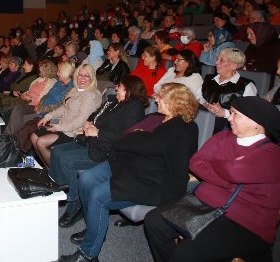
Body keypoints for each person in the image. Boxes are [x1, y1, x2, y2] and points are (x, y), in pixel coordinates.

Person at [59, 84, 199, 262]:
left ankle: (88, 254)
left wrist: (139, 136)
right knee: (86, 179)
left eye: (161, 97)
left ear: (175, 102)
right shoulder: (160, 118)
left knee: (98, 196)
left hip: (154, 181)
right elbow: (132, 139)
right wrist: (139, 137)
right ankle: (94, 228)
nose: (156, 99)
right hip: (132, 165)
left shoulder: (184, 128)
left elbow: (144, 145)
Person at [144, 96, 280, 262]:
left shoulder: (273, 155)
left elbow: (233, 171)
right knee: (154, 221)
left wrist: (216, 162)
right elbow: (196, 162)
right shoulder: (224, 137)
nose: (229, 118)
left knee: (186, 253)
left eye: (235, 114)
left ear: (256, 123)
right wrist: (226, 180)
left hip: (243, 222)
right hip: (201, 204)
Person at [51, 75, 149, 229]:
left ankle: (74, 203)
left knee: (67, 161)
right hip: (93, 141)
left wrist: (97, 133)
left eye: (120, 86)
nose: (116, 88)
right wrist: (89, 122)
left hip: (107, 149)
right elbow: (96, 114)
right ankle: (62, 191)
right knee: (56, 151)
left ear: (130, 90)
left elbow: (126, 136)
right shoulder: (115, 102)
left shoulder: (134, 108)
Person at [31, 64, 102, 166]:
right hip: (62, 124)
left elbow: (81, 120)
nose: (82, 78)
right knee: (34, 136)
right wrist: (48, 116)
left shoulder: (91, 95)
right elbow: (64, 107)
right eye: (80, 75)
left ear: (92, 78)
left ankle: (54, 171)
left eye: (86, 76)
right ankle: (46, 166)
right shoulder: (75, 89)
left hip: (74, 131)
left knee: (41, 142)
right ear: (76, 76)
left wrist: (59, 127)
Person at [196, 48, 257, 130]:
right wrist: (206, 105)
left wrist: (225, 113)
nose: (216, 62)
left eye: (221, 60)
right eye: (217, 59)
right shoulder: (209, 78)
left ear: (233, 65)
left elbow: (248, 113)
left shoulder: (246, 85)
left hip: (228, 125)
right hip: (203, 116)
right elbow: (198, 95)